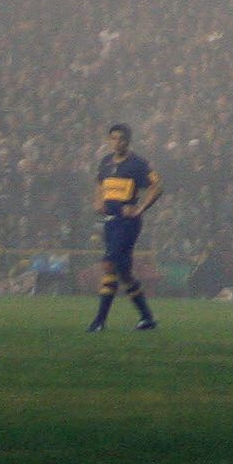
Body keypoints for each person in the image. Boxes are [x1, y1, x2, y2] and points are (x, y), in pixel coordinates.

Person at [87, 124, 161, 333]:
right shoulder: (106, 163)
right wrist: (98, 200)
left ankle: (99, 321)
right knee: (124, 273)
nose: (116, 143)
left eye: (120, 139)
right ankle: (147, 318)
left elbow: (157, 185)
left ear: (128, 141)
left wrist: (141, 208)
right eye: (113, 139)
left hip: (126, 223)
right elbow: (100, 183)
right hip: (110, 222)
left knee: (109, 264)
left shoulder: (137, 164)